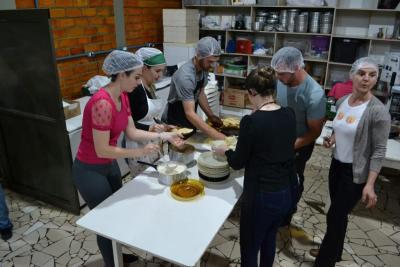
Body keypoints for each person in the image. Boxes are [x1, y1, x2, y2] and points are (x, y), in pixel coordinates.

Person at [72, 50, 182, 267]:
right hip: (90, 170)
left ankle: (117, 255)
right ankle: (113, 262)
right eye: (136, 77)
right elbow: (102, 149)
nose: (138, 82)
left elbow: (131, 133)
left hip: (109, 165)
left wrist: (163, 135)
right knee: (105, 223)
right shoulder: (102, 103)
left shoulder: (122, 96)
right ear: (121, 75)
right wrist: (138, 152)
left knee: (117, 216)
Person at [311, 57, 391, 267]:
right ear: (352, 75)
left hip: (355, 173)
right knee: (339, 215)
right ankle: (335, 252)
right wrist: (333, 139)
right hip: (336, 165)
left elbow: (379, 150)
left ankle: (324, 261)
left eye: (372, 75)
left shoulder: (377, 111)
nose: (366, 79)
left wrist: (371, 184)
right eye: (362, 73)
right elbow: (341, 126)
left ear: (376, 79)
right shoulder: (342, 101)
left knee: (335, 215)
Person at [214, 67, 297, 267]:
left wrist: (224, 151)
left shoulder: (251, 122)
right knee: (269, 240)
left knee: (250, 247)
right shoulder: (289, 114)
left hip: (262, 197)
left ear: (251, 93)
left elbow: (237, 163)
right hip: (286, 192)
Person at [271, 47, 326, 222]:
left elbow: (315, 132)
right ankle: (275, 204)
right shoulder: (282, 80)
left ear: (296, 69)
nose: (278, 78)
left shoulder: (314, 94)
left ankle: (287, 211)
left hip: (300, 143)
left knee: (293, 176)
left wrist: (291, 145)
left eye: (281, 74)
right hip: (279, 138)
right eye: (277, 73)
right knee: (276, 174)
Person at [165, 36, 226, 140]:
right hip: (176, 120)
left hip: (190, 117)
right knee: (179, 152)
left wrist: (211, 116)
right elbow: (189, 113)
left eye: (215, 61)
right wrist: (219, 136)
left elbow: (200, 94)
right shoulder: (186, 76)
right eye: (210, 61)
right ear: (198, 55)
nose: (213, 65)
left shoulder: (203, 68)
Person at [125, 47, 174, 174]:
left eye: (162, 71)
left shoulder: (150, 86)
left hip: (153, 140)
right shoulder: (134, 89)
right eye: (157, 71)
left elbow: (149, 116)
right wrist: (150, 128)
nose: (160, 75)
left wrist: (163, 125)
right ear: (144, 68)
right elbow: (125, 123)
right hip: (138, 144)